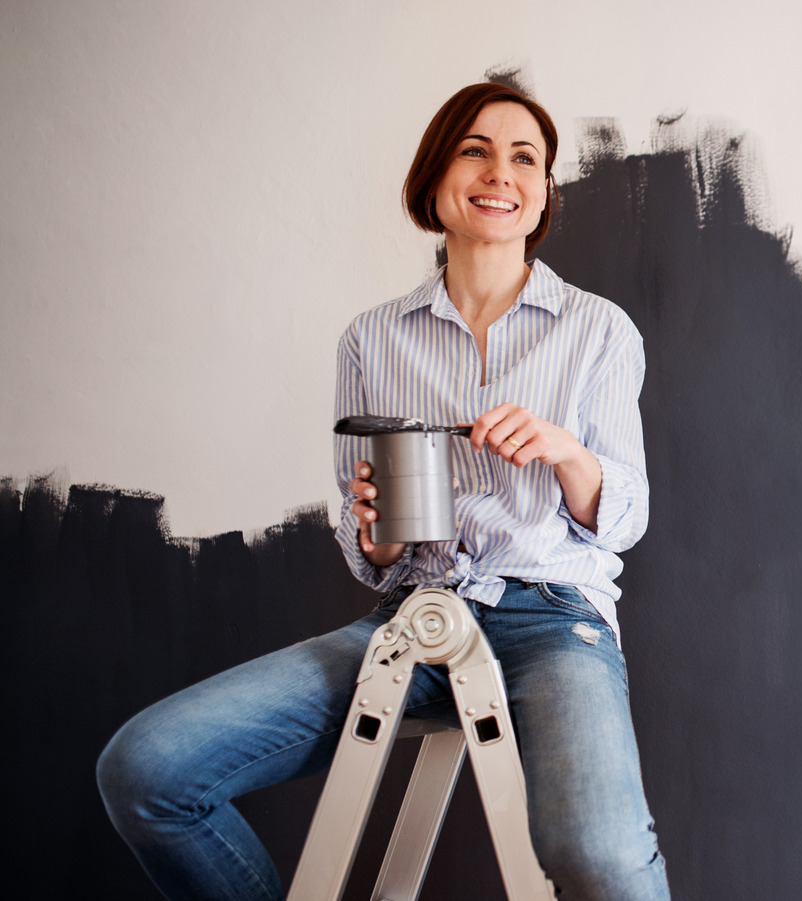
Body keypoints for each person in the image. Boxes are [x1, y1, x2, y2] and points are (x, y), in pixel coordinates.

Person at [97, 82, 669, 901]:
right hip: (413, 617)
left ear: (543, 192)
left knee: (600, 857)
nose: (499, 172)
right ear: (435, 176)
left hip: (554, 619)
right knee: (144, 770)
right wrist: (378, 536)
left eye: (524, 158)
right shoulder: (371, 338)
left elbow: (626, 518)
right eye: (475, 149)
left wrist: (564, 450)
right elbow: (370, 550)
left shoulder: (599, 330)